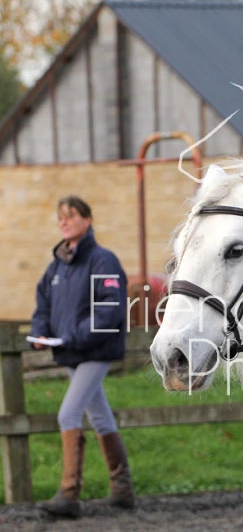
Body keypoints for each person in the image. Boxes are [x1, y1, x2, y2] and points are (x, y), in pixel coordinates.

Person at [30, 196, 134, 518]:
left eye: (71, 215)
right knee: (100, 417)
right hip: (72, 351)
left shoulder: (103, 261)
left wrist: (74, 335)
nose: (64, 222)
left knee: (68, 414)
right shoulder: (57, 266)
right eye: (60, 217)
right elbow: (43, 303)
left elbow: (110, 308)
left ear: (87, 220)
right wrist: (40, 331)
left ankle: (69, 494)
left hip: (95, 350)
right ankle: (122, 491)